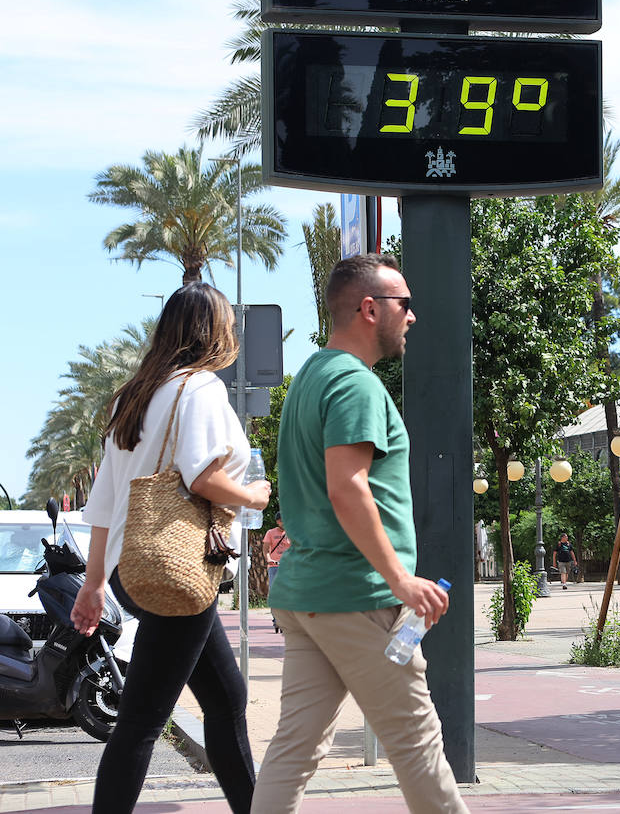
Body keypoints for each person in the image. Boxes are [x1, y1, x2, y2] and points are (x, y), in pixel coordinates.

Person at [252, 254, 468, 814]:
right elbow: (348, 489)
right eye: (404, 304)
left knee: (295, 748)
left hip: (310, 597)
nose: (412, 317)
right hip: (358, 598)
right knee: (417, 743)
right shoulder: (354, 385)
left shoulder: (309, 378)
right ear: (370, 309)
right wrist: (399, 579)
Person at [71, 282, 268, 814]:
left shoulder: (130, 398)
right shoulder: (200, 389)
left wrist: (93, 585)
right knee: (141, 718)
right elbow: (202, 477)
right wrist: (252, 493)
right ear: (214, 331)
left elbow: (104, 504)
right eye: (229, 323)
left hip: (131, 568)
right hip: (179, 565)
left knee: (227, 698)